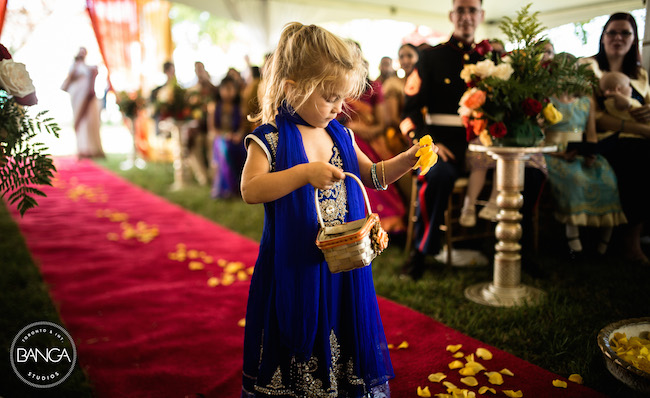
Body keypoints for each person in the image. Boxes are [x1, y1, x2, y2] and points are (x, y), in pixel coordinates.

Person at [239, 22, 428, 397]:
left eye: (343, 98)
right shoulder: (270, 138)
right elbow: (250, 189)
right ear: (293, 87)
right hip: (294, 264)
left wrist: (406, 160)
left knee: (341, 325)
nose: (340, 107)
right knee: (299, 330)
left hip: (341, 264)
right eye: (329, 97)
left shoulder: (339, 133)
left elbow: (372, 175)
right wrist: (304, 173)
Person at [401, 0, 546, 278]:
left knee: (531, 176)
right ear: (451, 15)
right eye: (461, 10)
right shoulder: (430, 58)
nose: (466, 16)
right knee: (438, 175)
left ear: (481, 16)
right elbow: (409, 112)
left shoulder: (493, 60)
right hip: (446, 146)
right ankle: (421, 252)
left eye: (471, 10)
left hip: (489, 148)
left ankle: (517, 248)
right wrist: (426, 143)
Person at [543, 53, 627, 259]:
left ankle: (602, 245)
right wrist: (558, 152)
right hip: (554, 153)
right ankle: (574, 244)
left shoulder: (586, 101)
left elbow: (590, 133)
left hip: (580, 151)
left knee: (607, 178)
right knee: (576, 179)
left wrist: (591, 153)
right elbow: (541, 134)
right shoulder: (546, 100)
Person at [583, 12, 650, 264]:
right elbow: (594, 116)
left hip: (640, 135)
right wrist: (640, 130)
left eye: (626, 33)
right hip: (604, 138)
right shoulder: (589, 67)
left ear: (634, 40)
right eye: (612, 32)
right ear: (602, 37)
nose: (618, 37)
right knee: (640, 153)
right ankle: (630, 242)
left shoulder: (641, 75)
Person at [61, 47, 104, 159]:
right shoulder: (74, 66)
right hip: (77, 96)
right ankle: (82, 148)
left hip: (87, 97)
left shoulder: (88, 67)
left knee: (89, 121)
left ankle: (91, 148)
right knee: (80, 121)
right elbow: (70, 78)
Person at [207, 75, 244, 198]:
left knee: (242, 149)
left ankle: (241, 186)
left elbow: (243, 126)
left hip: (236, 138)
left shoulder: (239, 107)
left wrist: (238, 134)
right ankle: (227, 188)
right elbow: (212, 128)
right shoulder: (214, 106)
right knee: (225, 148)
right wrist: (225, 135)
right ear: (220, 90)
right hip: (220, 138)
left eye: (231, 89)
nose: (228, 92)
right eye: (225, 89)